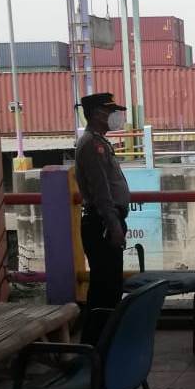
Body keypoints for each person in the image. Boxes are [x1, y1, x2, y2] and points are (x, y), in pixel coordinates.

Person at [74, 92, 130, 343]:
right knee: (104, 289)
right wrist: (114, 225)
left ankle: (104, 343)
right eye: (110, 111)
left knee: (111, 286)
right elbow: (101, 191)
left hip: (106, 222)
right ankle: (94, 345)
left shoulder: (99, 142)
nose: (115, 116)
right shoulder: (91, 145)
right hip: (102, 224)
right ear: (97, 114)